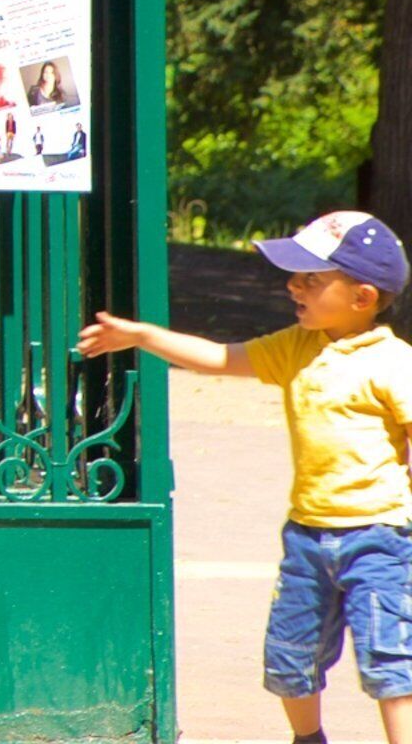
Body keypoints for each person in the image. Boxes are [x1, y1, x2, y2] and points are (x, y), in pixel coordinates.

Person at [79, 212, 412, 744]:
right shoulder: (297, 348)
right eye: (294, 276)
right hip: (306, 537)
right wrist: (142, 336)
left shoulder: (394, 364)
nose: (292, 286)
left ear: (363, 296)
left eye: (311, 278)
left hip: (381, 539)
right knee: (289, 661)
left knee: (392, 665)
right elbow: (218, 358)